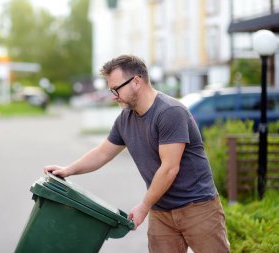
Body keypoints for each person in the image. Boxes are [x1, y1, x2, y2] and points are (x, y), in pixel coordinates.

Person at [44, 55, 230, 253]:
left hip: (197, 208)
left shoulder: (169, 112)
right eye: (111, 90)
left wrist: (144, 206)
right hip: (161, 212)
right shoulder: (126, 118)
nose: (113, 95)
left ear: (136, 81)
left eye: (116, 89)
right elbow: (102, 153)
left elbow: (169, 168)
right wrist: (67, 170)